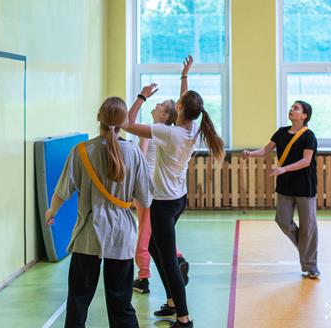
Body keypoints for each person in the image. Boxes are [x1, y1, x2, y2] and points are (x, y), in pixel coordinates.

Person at [125, 55, 225, 328]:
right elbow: (185, 103)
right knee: (154, 248)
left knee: (168, 261)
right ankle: (171, 302)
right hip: (178, 199)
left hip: (164, 203)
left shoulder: (169, 133)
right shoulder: (192, 127)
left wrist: (142, 97)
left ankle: (183, 318)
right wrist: (184, 76)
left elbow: (127, 123)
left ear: (179, 109)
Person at [45, 96, 153, 328]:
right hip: (122, 237)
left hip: (88, 236)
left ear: (98, 118)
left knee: (78, 301)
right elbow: (145, 198)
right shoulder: (134, 153)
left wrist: (51, 212)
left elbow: (62, 191)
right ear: (124, 122)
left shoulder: (81, 151)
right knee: (121, 304)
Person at [242, 100, 320, 279]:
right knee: (283, 220)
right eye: (292, 107)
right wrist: (250, 153)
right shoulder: (281, 132)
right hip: (285, 185)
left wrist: (284, 168)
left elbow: (306, 161)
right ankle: (305, 249)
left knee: (308, 227)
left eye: (296, 108)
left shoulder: (309, 136)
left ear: (304, 115)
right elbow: (265, 150)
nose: (292, 109)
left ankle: (311, 266)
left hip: (305, 186)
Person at [132, 98, 189, 294]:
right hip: (164, 191)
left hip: (148, 188)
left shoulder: (152, 132)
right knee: (158, 235)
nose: (156, 105)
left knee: (145, 235)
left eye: (160, 105)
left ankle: (143, 277)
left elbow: (140, 158)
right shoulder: (170, 134)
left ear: (164, 115)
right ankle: (178, 258)